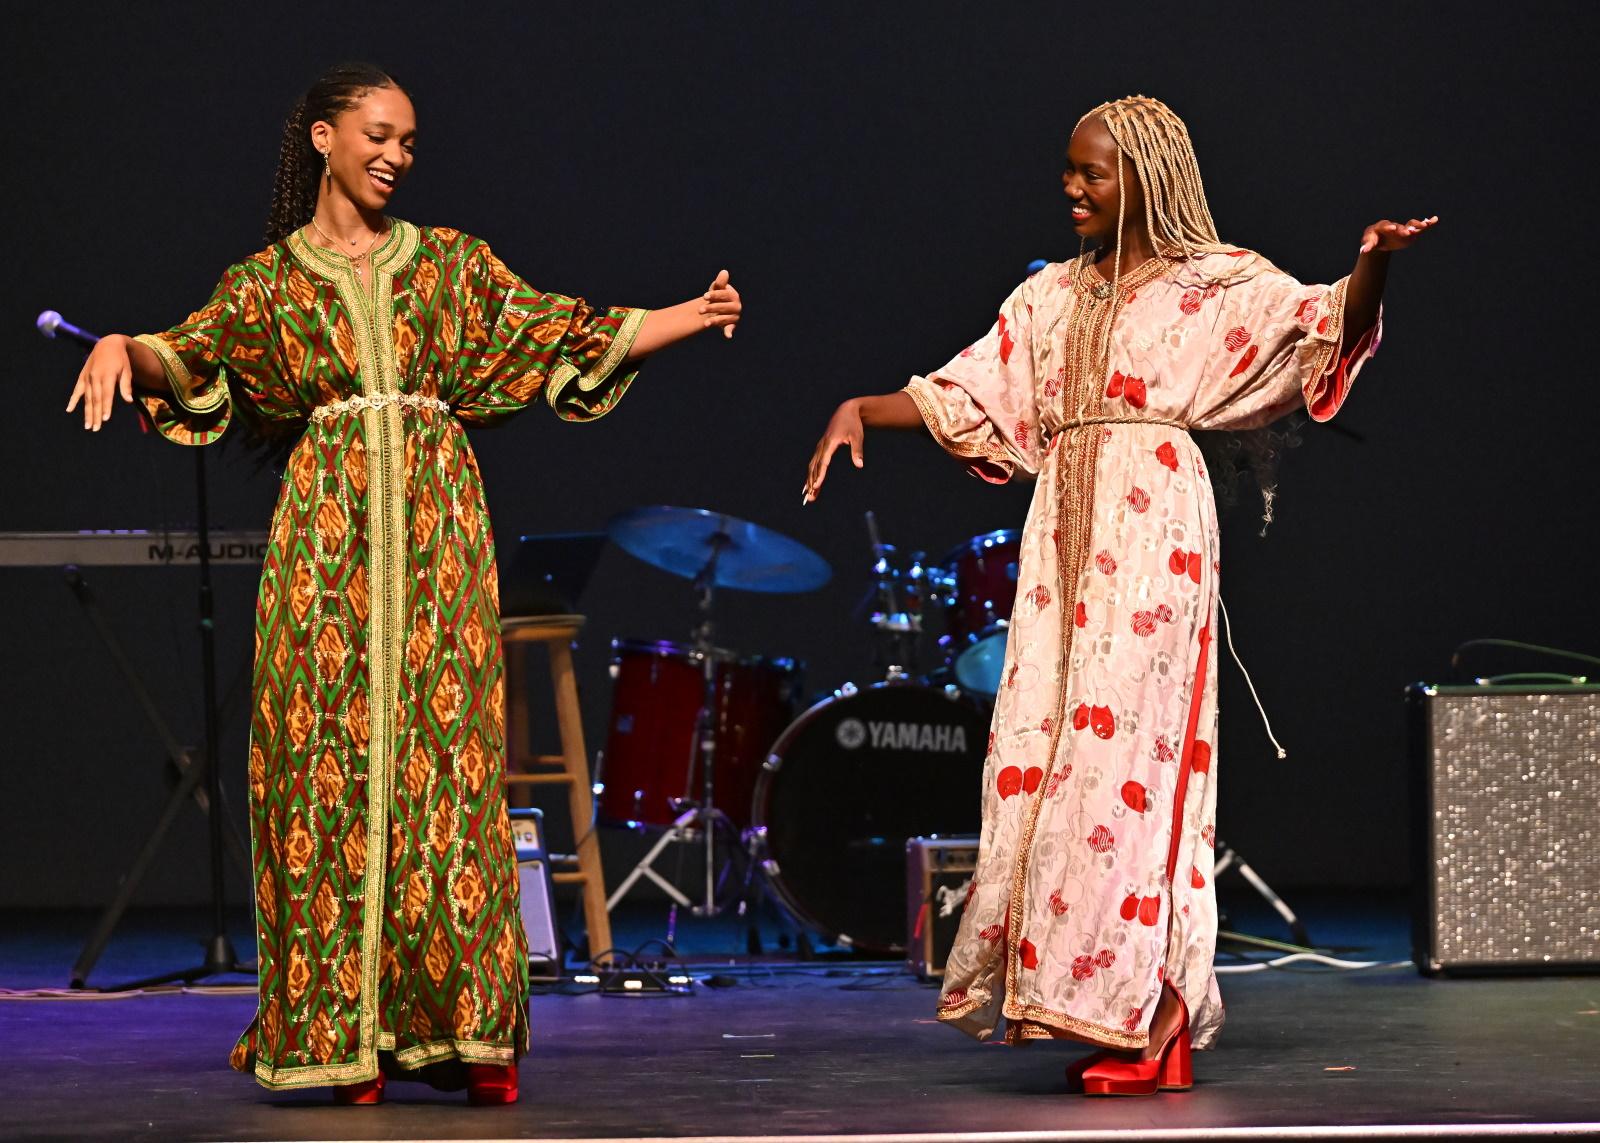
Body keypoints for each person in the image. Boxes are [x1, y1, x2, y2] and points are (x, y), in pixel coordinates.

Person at [66, 62, 742, 1106]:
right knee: (325, 773)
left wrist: (686, 316)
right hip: (324, 554)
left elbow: (560, 331)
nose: (395, 156)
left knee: (444, 774)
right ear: (325, 139)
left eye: (410, 141)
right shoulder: (268, 285)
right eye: (378, 134)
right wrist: (122, 345)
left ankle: (463, 1032)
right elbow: (192, 361)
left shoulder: (452, 269)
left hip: (435, 545)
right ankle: (350, 1033)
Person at [804, 94, 1433, 1097]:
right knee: (1045, 761)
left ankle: (1157, 1014)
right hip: (1062, 535)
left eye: (1089, 172)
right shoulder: (1051, 296)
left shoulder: (1215, 284)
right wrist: (861, 411)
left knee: (1129, 772)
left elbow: (1321, 326)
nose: (1070, 186)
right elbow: (971, 389)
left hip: (1152, 533)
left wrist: (1373, 266)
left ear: (1141, 179)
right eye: (1067, 169)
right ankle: (1120, 1006)